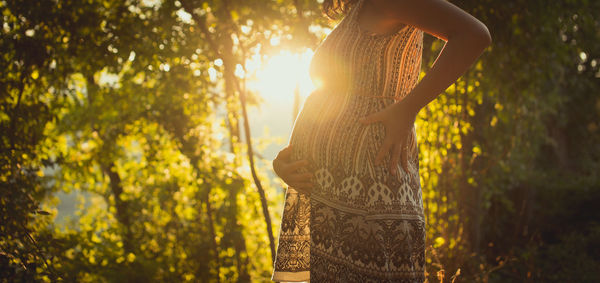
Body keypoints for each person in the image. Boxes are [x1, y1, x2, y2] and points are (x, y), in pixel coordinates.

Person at [271, 0, 491, 281]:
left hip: (368, 189)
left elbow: (475, 35)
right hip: (327, 193)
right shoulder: (359, 9)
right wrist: (287, 163)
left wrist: (408, 108)